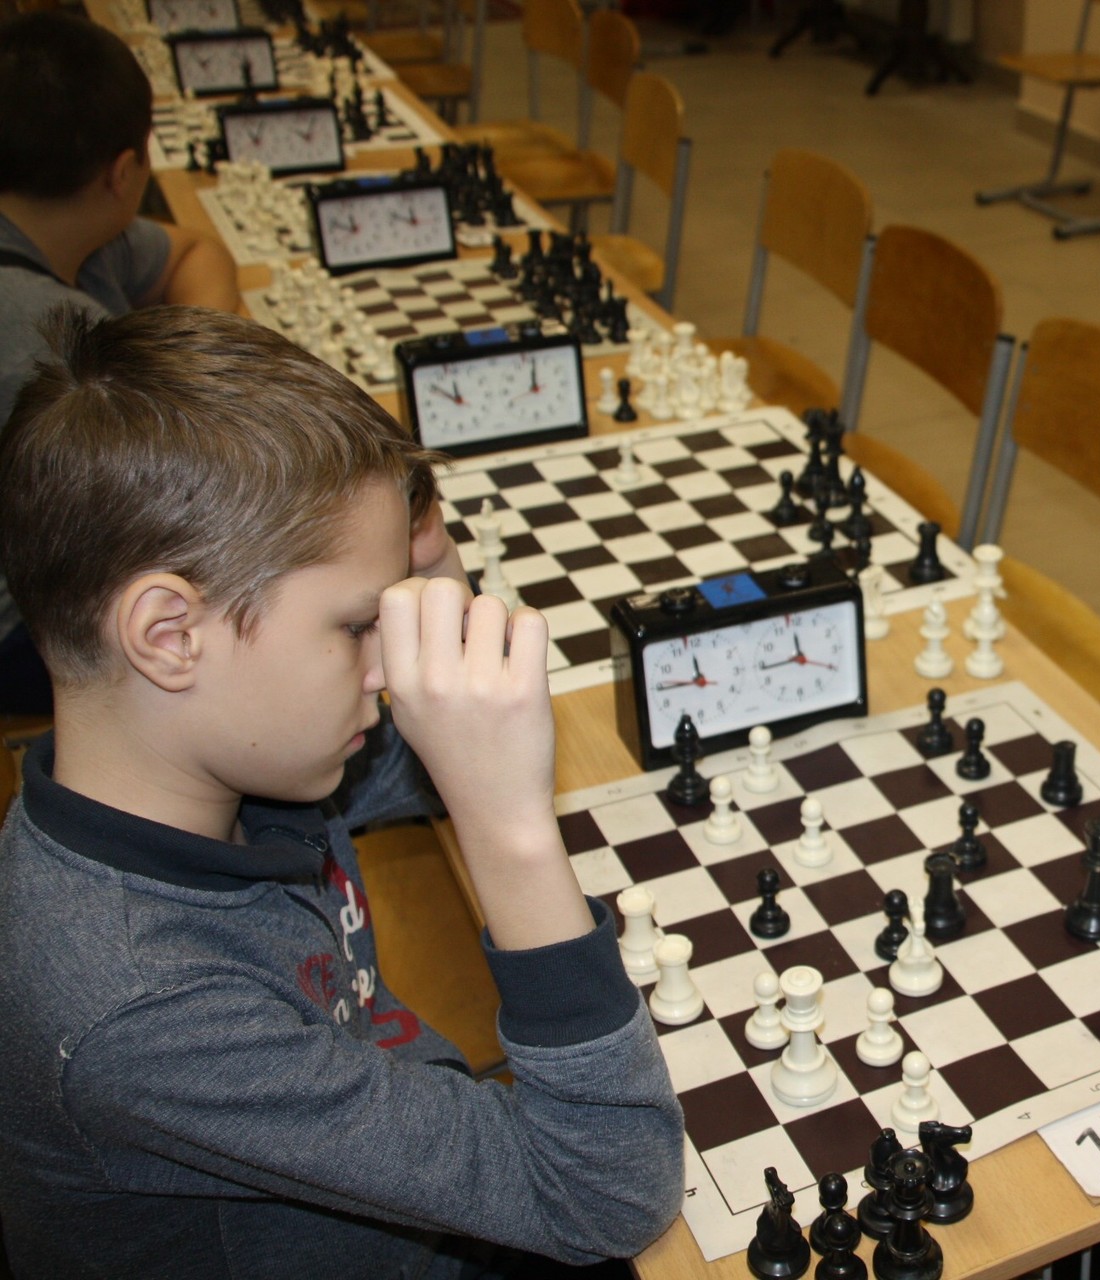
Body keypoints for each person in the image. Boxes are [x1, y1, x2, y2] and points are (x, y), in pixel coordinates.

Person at [0, 306, 685, 1278]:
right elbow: (608, 1191)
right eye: (361, 625)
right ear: (169, 635)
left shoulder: (208, 767)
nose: (389, 668)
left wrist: (430, 572)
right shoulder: (142, 1012)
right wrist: (511, 828)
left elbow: (438, 749)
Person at [0, 11, 241, 714]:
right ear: (125, 171)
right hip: (28, 633)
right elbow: (211, 471)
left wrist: (201, 354)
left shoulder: (76, 237)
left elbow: (197, 250)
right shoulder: (57, 340)